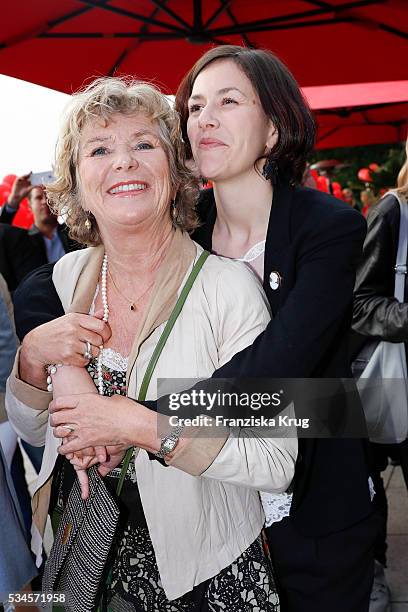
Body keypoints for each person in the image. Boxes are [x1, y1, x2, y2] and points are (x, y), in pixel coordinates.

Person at [8, 47, 375, 612]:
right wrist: (60, 365)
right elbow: (44, 284)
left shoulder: (325, 226)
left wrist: (133, 418)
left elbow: (279, 376)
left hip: (310, 471)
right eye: (195, 105)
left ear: (273, 129)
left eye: (229, 102)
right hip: (163, 517)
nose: (204, 118)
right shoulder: (181, 217)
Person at [352, 137, 408, 612]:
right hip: (390, 378)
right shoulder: (392, 212)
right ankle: (374, 573)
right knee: (370, 488)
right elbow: (361, 303)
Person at [0, 180, 78, 292]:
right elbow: (2, 235)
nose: (45, 201)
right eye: (38, 197)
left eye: (50, 197)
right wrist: (13, 202)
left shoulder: (75, 234)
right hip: (40, 304)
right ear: (29, 206)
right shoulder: (22, 241)